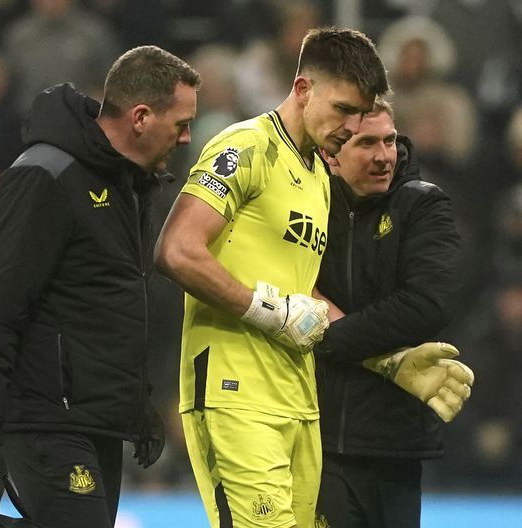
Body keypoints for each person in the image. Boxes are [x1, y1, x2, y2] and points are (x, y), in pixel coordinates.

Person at [0, 45, 201, 528]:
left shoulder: (129, 186)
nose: (187, 136)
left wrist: (137, 410)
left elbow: (107, 308)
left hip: (94, 422)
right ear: (141, 116)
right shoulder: (44, 175)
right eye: (181, 123)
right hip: (46, 419)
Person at [154, 27, 389, 528]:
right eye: (343, 109)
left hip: (299, 400)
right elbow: (176, 250)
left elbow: (303, 298)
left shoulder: (318, 177)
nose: (352, 126)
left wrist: (389, 359)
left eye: (361, 114)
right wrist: (269, 310)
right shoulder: (246, 146)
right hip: (234, 391)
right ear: (303, 89)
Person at [312, 99, 471, 528]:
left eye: (389, 141)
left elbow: (426, 306)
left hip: (394, 444)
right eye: (367, 143)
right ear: (331, 153)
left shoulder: (422, 205)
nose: (384, 156)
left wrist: (328, 337)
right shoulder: (307, 205)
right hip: (315, 436)